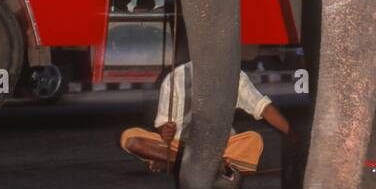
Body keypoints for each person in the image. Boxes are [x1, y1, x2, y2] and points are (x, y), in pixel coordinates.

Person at [119, 62, 290, 174]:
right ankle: (208, 166)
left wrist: (292, 134)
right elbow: (164, 127)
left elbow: (263, 108)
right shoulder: (176, 77)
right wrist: (166, 131)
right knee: (131, 139)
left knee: (253, 140)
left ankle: (174, 164)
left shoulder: (234, 75)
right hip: (180, 146)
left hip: (220, 146)